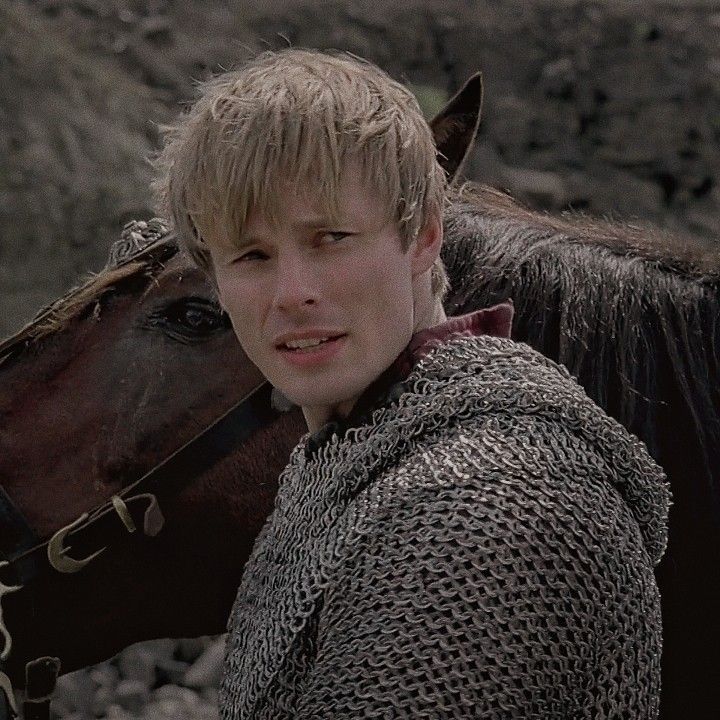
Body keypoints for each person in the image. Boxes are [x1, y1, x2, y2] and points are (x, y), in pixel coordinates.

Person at [152, 48, 670, 719]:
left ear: (423, 236)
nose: (292, 293)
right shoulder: (348, 468)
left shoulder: (492, 507)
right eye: (251, 255)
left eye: (330, 237)